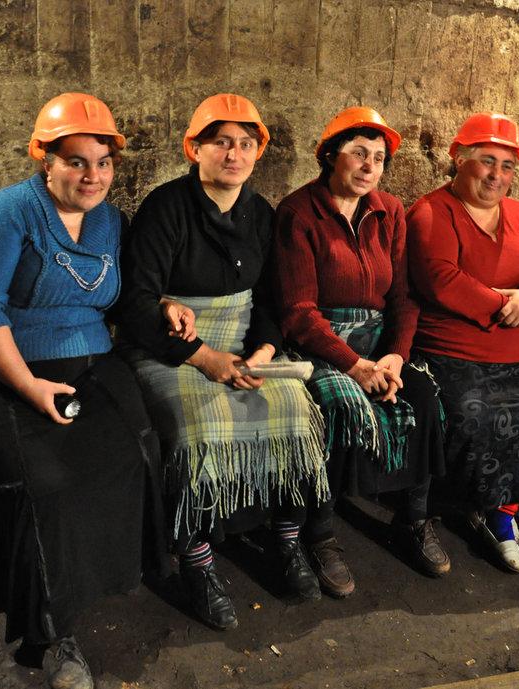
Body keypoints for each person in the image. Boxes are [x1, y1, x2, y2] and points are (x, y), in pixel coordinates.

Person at [0, 93, 165, 689]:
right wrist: (27, 384)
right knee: (51, 483)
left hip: (87, 358)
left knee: (138, 447)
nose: (92, 176)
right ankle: (51, 630)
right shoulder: (2, 213)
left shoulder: (112, 221)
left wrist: (165, 305)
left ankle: (108, 574)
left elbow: (121, 294)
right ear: (44, 158)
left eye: (103, 162)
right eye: (75, 161)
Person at [114, 93, 328, 630]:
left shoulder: (262, 214)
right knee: (198, 427)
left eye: (246, 144)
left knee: (296, 415)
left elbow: (273, 300)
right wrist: (204, 357)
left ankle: (285, 539)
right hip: (173, 350)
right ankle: (198, 560)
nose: (234, 154)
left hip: (242, 344)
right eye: (221, 143)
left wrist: (262, 352)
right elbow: (135, 304)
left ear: (258, 154)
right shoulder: (166, 209)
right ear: (195, 149)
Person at [274, 106, 450, 596]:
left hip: (379, 342)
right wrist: (354, 366)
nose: (369, 166)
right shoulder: (298, 213)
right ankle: (322, 533)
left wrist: (394, 354)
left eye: (378, 157)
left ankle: (414, 518)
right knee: (336, 409)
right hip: (321, 343)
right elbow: (298, 311)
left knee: (424, 397)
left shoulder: (389, 210)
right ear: (331, 155)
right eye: (358, 153)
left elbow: (403, 297)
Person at [406, 113, 519, 574]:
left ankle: (504, 513)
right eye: (486, 161)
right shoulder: (431, 212)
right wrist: (508, 307)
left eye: (507, 164)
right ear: (459, 160)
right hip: (458, 351)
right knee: (474, 412)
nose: (497, 174)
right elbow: (441, 279)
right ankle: (462, 505)